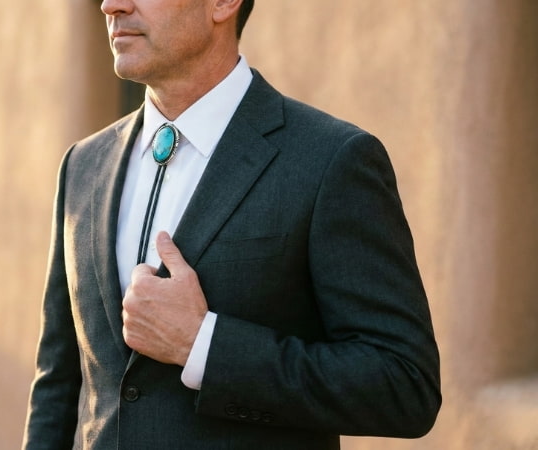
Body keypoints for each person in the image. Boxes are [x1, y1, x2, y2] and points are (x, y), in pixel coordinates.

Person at [23, 0, 441, 448]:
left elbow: (404, 385)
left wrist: (202, 346)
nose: (111, 5)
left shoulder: (330, 160)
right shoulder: (83, 165)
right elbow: (58, 385)